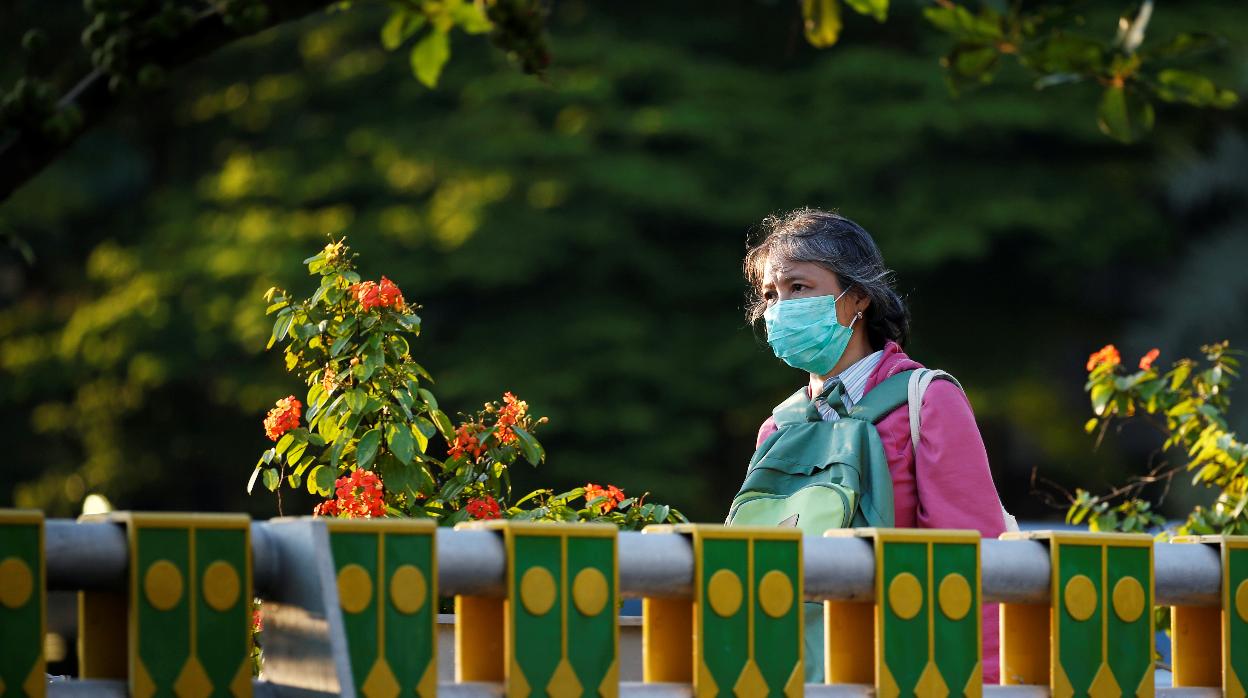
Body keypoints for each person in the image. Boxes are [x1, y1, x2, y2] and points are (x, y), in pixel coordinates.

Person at [742, 208, 1008, 683]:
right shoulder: (777, 428)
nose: (780, 308)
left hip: (899, 672)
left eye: (798, 287)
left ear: (858, 297)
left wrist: (981, 685)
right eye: (770, 295)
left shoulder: (927, 401)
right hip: (788, 674)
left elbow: (973, 562)